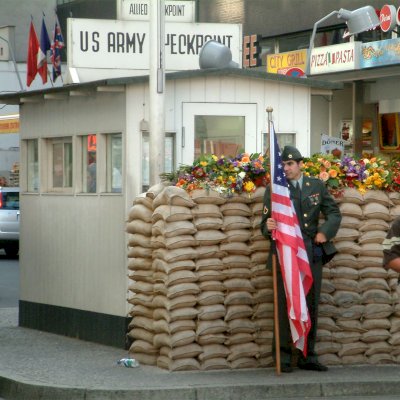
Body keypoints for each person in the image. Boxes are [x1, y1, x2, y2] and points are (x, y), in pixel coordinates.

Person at [261, 145, 342, 373]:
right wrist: (268, 227)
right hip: (285, 253)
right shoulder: (275, 189)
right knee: (285, 305)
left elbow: (334, 212)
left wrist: (324, 232)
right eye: (283, 164)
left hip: (310, 251)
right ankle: (284, 357)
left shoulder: (315, 185)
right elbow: (264, 223)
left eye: (290, 164)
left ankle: (308, 355)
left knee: (311, 304)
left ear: (299, 164)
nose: (285, 168)